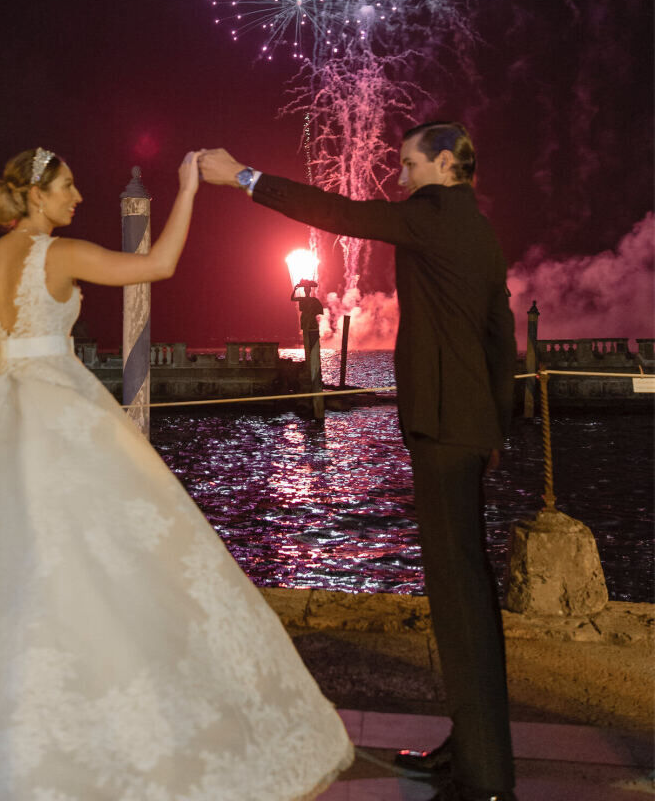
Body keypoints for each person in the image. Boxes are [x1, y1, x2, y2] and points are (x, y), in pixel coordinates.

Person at [0, 147, 353, 801]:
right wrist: (189, 191)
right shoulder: (56, 254)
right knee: (100, 561)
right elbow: (159, 265)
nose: (79, 197)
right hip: (57, 404)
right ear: (34, 196)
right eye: (67, 187)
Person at [199, 124, 519, 801]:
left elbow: (337, 214)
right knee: (468, 596)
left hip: (440, 427)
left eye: (407, 164)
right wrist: (495, 431)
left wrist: (245, 177)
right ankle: (471, 747)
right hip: (468, 430)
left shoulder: (430, 216)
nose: (398, 176)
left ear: (441, 163)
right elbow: (500, 336)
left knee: (459, 603)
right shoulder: (481, 230)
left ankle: (485, 779)